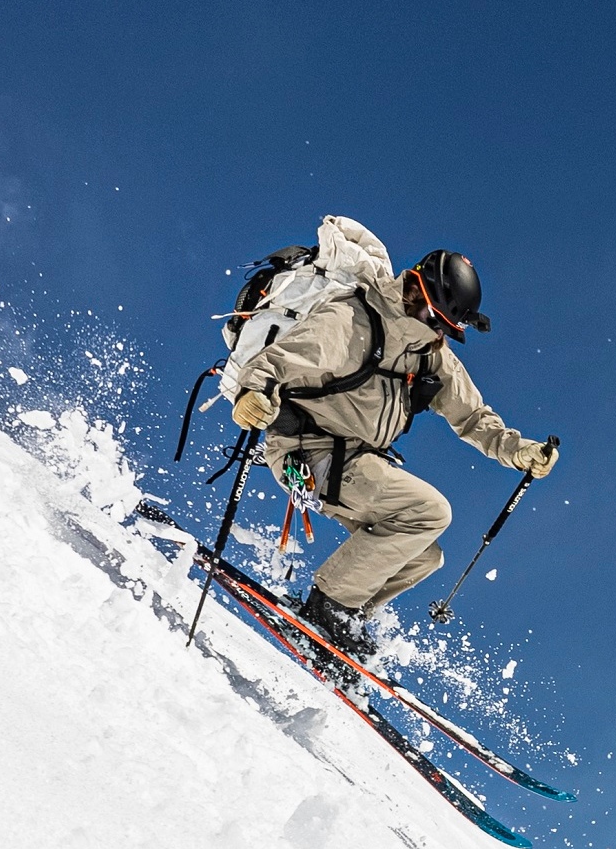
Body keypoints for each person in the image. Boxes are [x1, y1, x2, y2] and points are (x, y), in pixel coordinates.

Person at [225, 243, 558, 654]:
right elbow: (276, 363)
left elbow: (472, 417)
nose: (439, 334)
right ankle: (326, 607)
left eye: (448, 329)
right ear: (416, 290)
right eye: (436, 321)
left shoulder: (429, 353)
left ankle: (339, 625)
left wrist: (518, 451)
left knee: (424, 557)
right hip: (306, 449)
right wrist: (252, 394)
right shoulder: (351, 319)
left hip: (352, 458)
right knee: (428, 512)